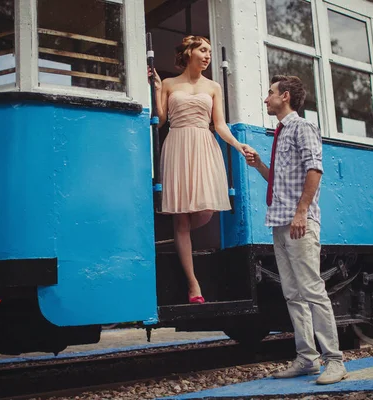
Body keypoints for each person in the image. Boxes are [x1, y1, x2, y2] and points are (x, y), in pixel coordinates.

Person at [245, 75, 347, 384]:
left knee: (312, 290)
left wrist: (302, 213)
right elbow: (280, 184)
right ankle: (307, 358)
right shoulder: (281, 133)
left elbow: (314, 170)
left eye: (270, 94)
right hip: (279, 221)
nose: (266, 99)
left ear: (285, 96)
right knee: (293, 294)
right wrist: (260, 165)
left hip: (298, 222)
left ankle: (335, 361)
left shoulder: (303, 128)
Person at [149, 36, 255, 304]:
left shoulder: (214, 87)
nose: (208, 56)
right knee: (181, 220)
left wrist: (237, 144)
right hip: (177, 144)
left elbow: (219, 124)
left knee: (206, 210)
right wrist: (158, 87)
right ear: (189, 52)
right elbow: (160, 120)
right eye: (203, 50)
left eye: (209, 51)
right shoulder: (171, 83)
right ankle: (193, 284)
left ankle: (179, 237)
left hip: (205, 145)